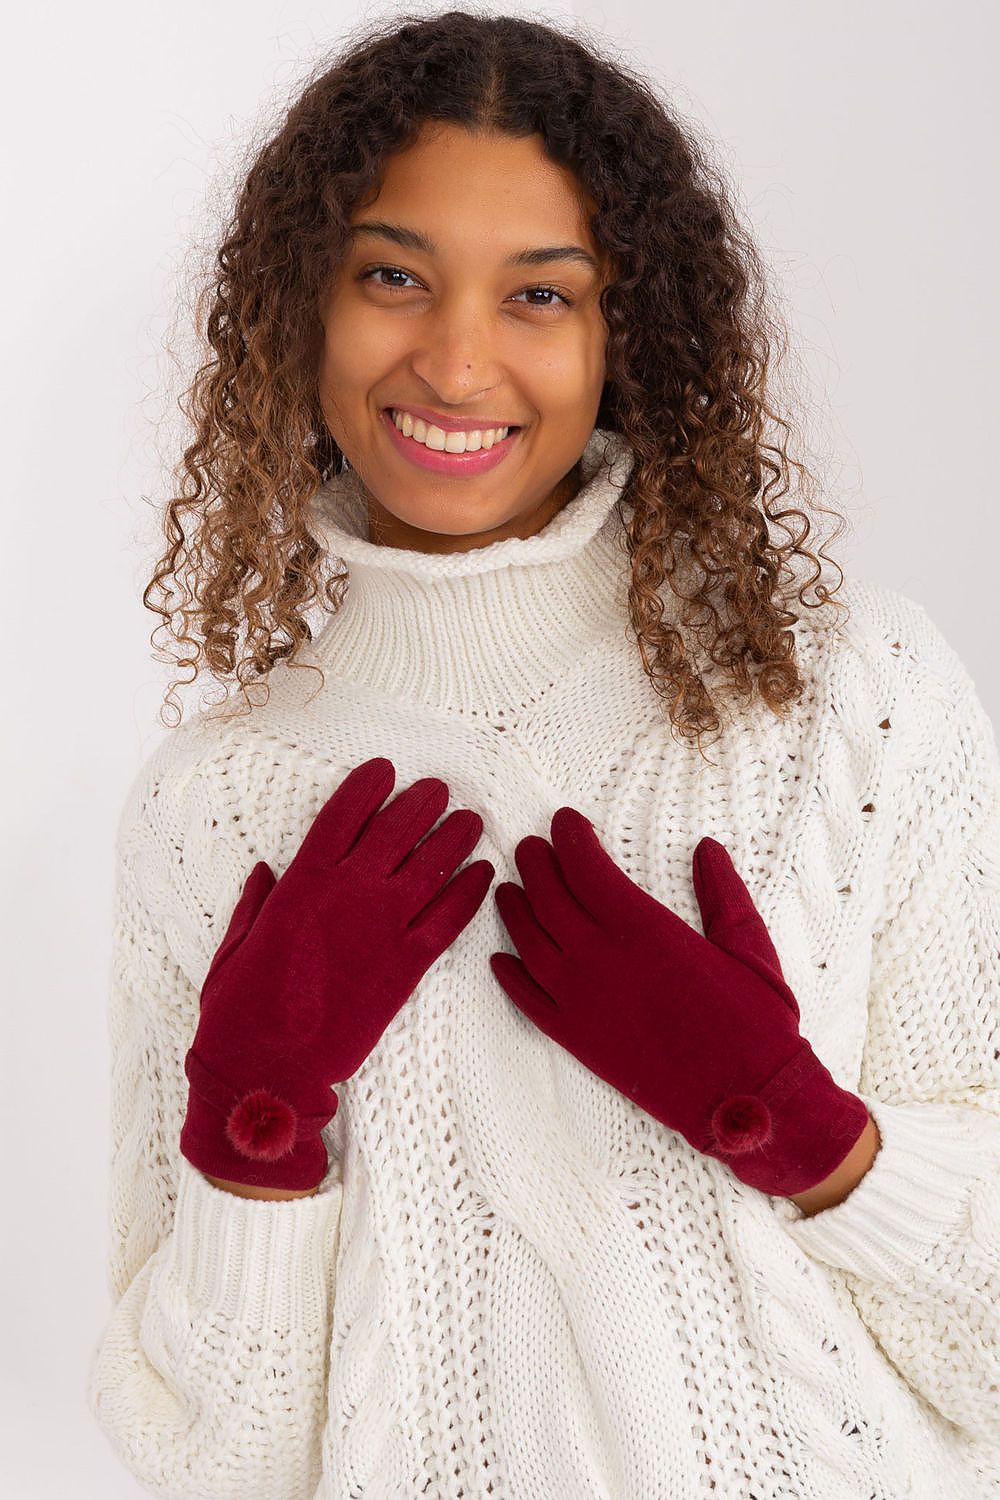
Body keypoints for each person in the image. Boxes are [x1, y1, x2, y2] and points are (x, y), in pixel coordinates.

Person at [85, 10, 1000, 1498]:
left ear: (624, 333)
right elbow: (206, 1461)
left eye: (541, 296)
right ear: (298, 306)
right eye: (393, 276)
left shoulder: (847, 698)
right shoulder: (212, 808)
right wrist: (256, 1123)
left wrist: (791, 1126)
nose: (456, 361)